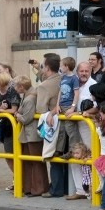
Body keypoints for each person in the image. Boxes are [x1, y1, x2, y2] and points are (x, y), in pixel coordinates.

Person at [36, 54, 65, 197]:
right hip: (66, 121)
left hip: (52, 123)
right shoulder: (63, 79)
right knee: (64, 156)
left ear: (47, 68)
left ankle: (56, 189)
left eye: (42, 65)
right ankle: (65, 187)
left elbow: (40, 109)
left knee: (54, 157)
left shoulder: (44, 86)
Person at [14, 75, 48, 196]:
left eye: (16, 86)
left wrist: (17, 115)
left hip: (32, 134)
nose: (14, 88)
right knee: (30, 161)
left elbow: (26, 119)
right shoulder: (30, 95)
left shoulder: (29, 98)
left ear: (21, 87)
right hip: (30, 134)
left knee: (34, 162)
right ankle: (31, 187)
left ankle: (37, 188)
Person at [0, 71, 19, 186]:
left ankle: (18, 178)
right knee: (8, 155)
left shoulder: (12, 91)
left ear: (2, 81)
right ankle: (16, 178)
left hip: (15, 126)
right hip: (5, 126)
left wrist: (1, 110)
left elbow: (14, 110)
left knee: (12, 153)